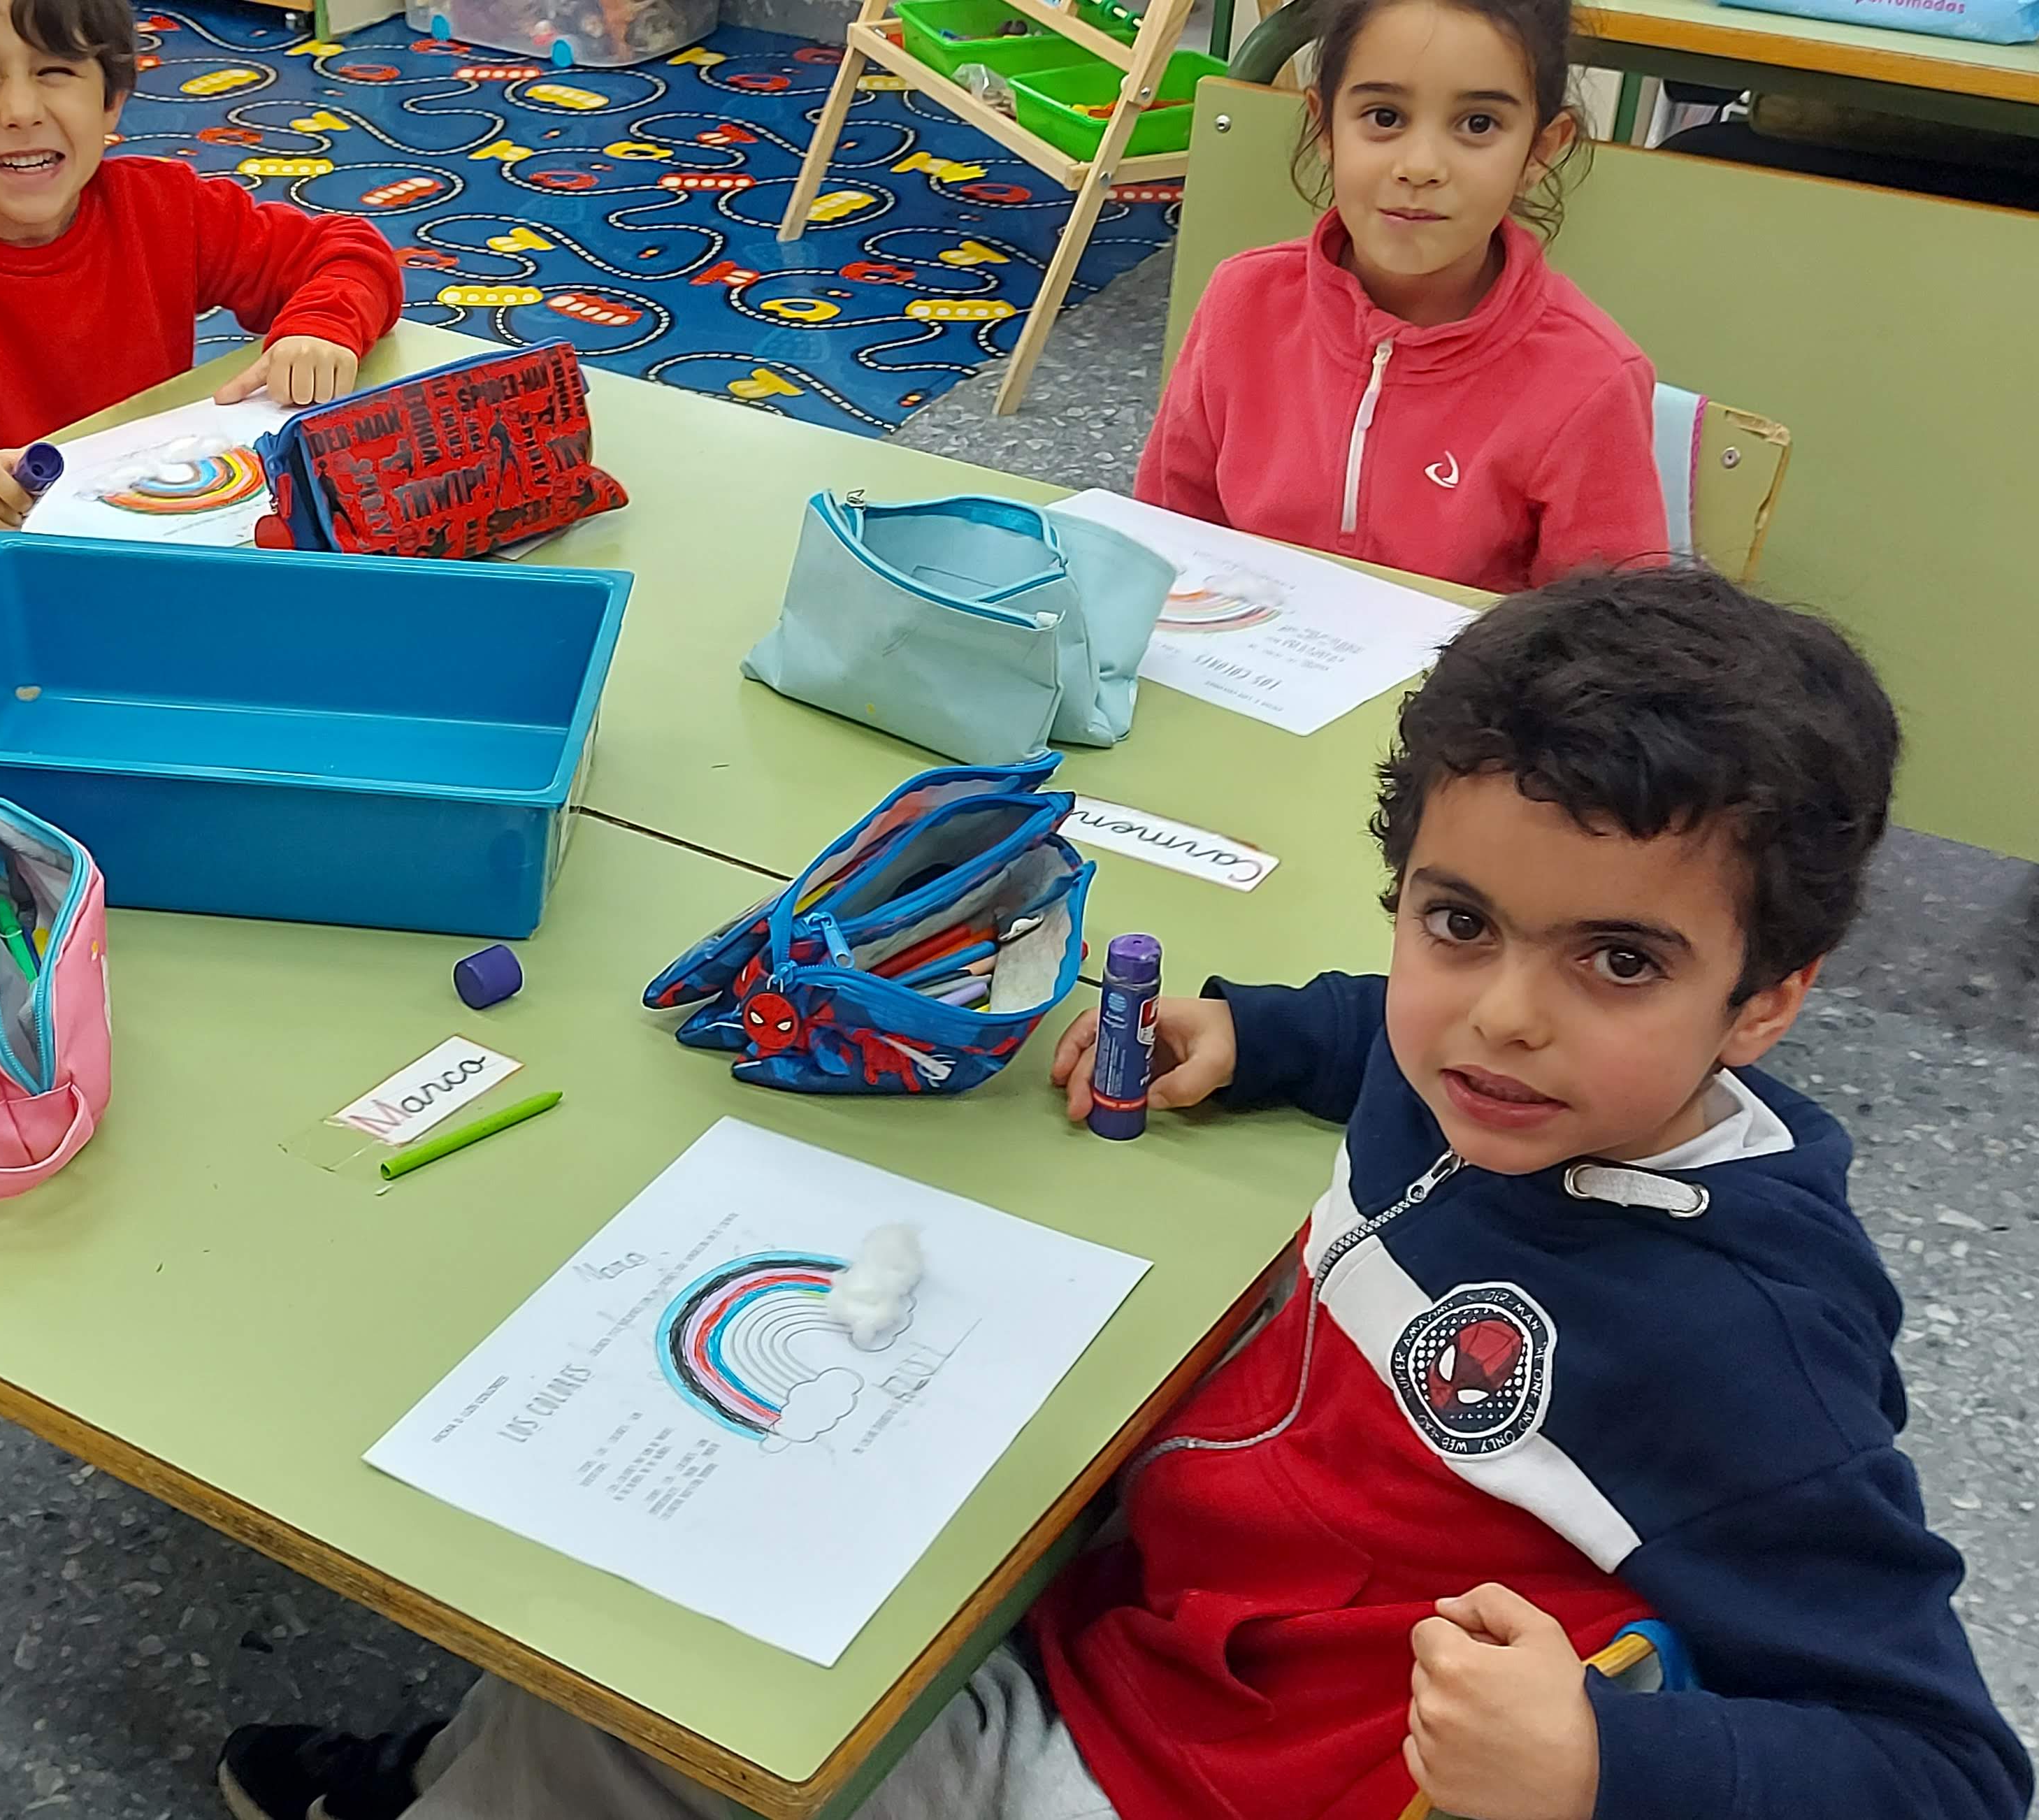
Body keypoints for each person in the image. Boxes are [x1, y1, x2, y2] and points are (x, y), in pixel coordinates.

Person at [213, 567, 2034, 1820]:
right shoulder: (1498, 1077)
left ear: (1767, 1002)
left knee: (650, 1696)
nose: (1502, 1014)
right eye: (1457, 919)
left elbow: (1947, 1771)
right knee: (627, 1635)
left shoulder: (1740, 1340)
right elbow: (1391, 1025)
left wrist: (1604, 1771)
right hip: (1142, 1607)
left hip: (1173, 1774)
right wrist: (1257, 1031)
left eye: (1618, 960)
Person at [0, 0, 404, 550]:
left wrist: (321, 328)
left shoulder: (165, 210)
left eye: (55, 70)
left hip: (157, 538)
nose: (22, 112)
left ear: (110, 99)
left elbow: (348, 253)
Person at [1134, 0, 1663, 595]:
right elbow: (1161, 540)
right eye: (1384, 117)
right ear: (1325, 128)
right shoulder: (1243, 302)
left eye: (1479, 125)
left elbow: (1610, 634)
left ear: (1541, 151)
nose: (1420, 166)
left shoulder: (1592, 380)